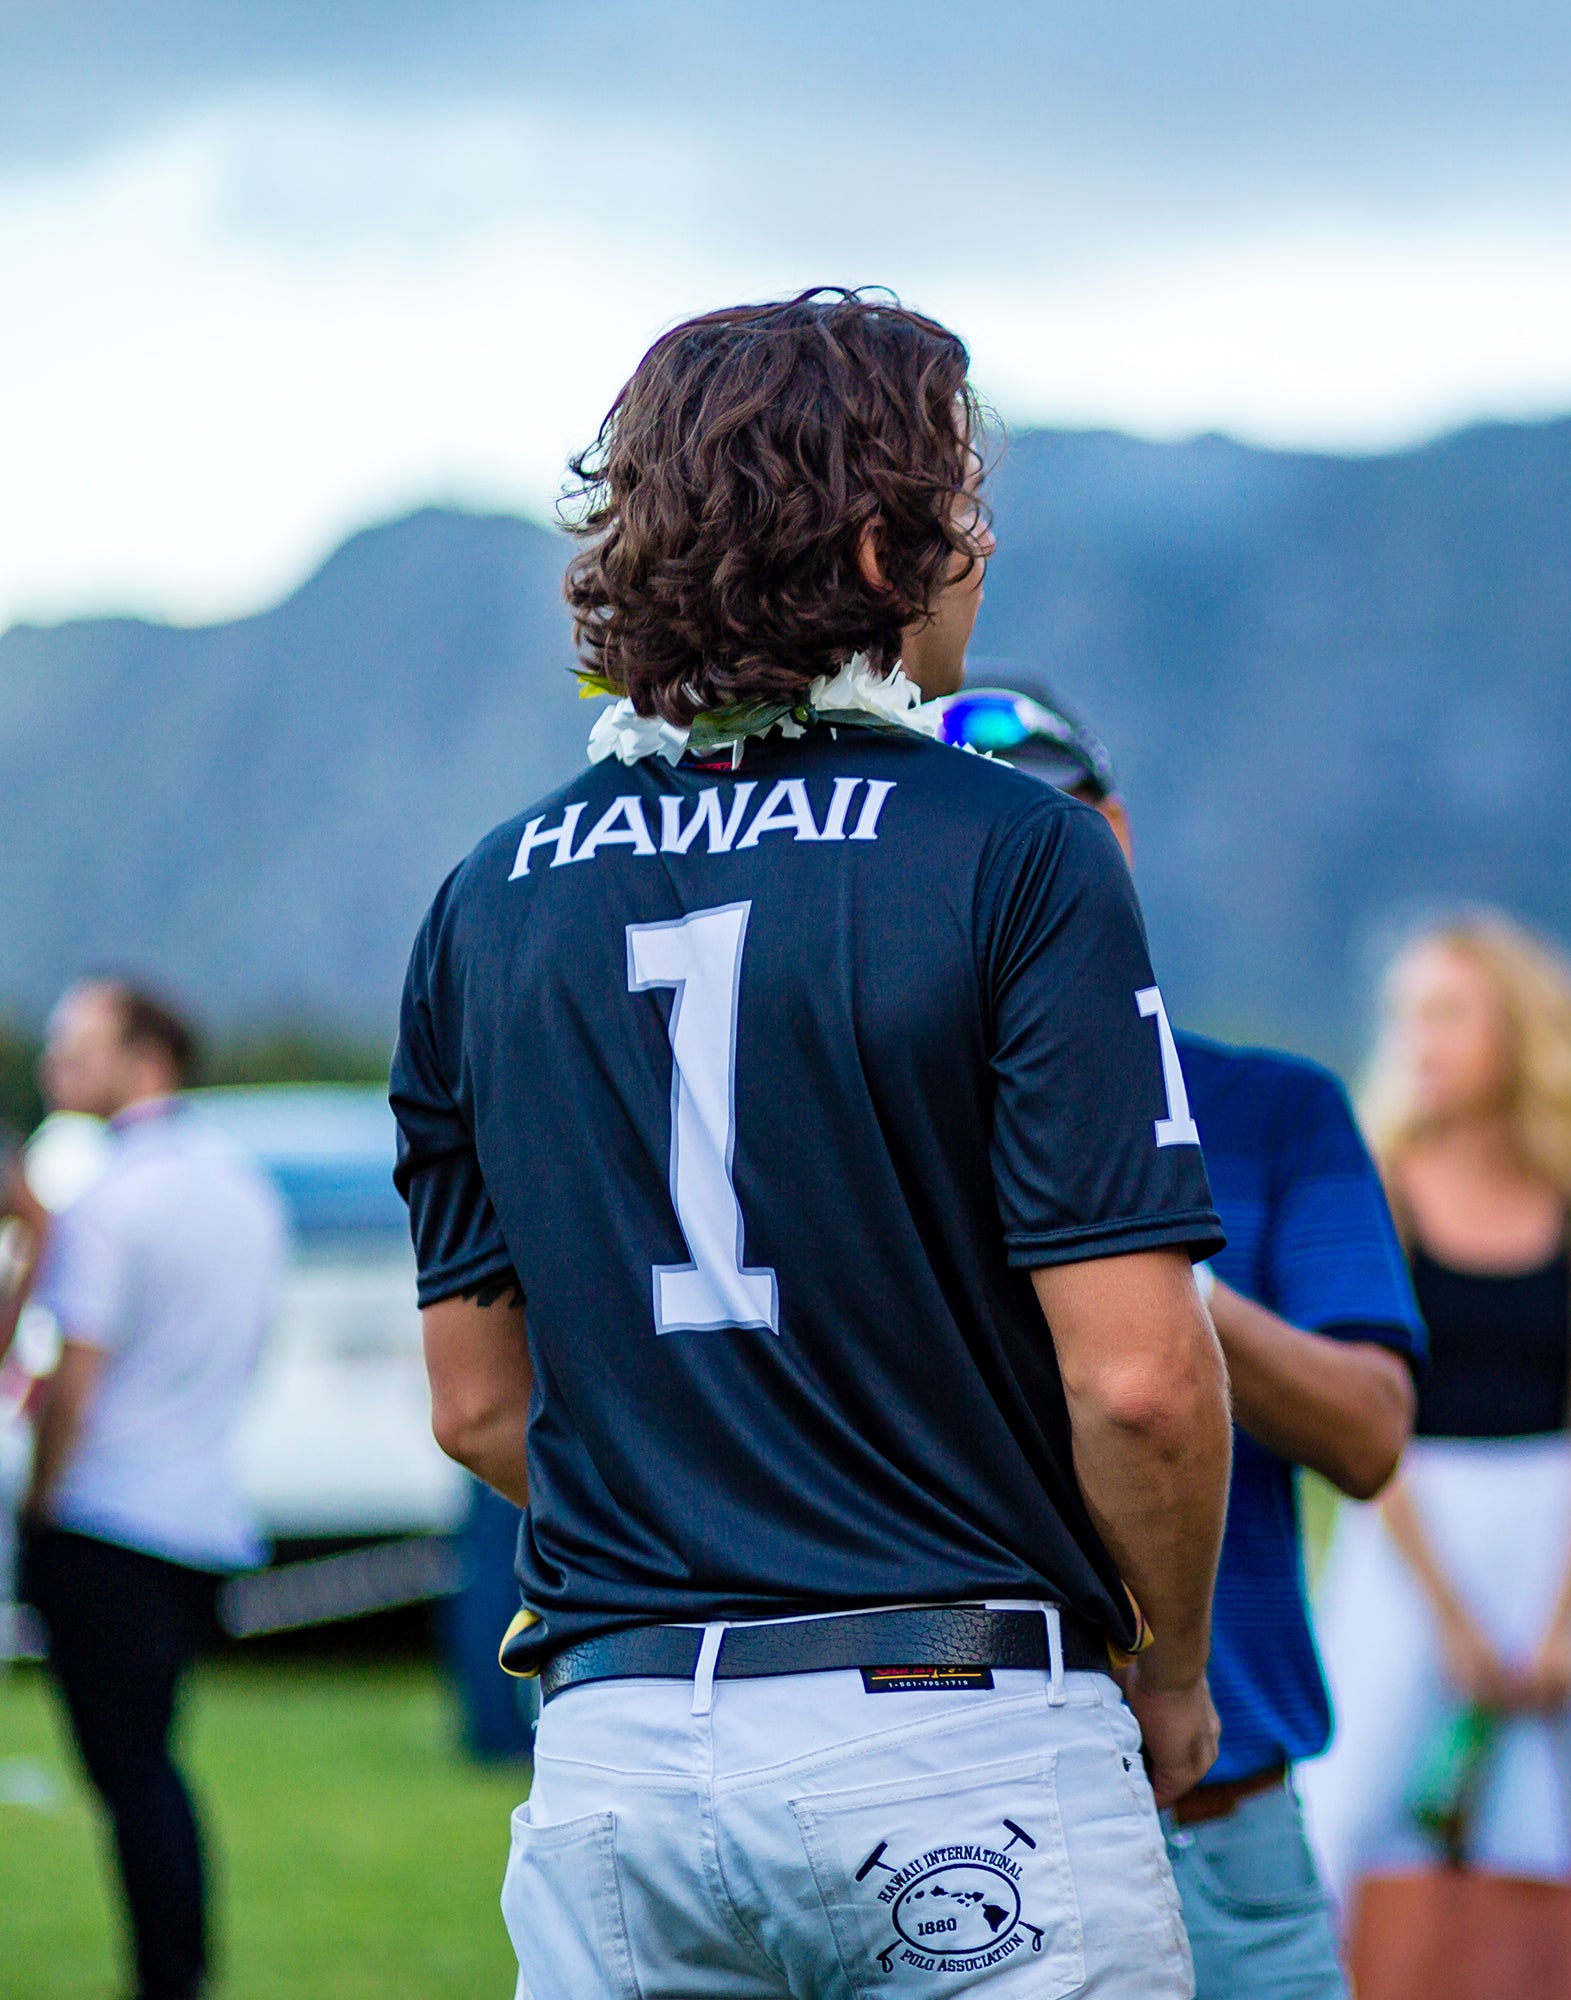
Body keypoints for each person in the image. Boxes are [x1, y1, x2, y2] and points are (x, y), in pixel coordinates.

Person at [395, 291, 1234, 1999]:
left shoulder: (484, 899)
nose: (982, 552)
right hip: (951, 1716)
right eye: (965, 511)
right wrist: (1175, 1668)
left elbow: (477, 1402)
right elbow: (1139, 1384)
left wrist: (709, 1523)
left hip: (619, 1748)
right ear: (879, 544)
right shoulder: (1022, 851)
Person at [935, 681, 1427, 2000]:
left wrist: (1137, 1274)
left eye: (1045, 828)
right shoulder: (864, 1126)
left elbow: (1372, 1436)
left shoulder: (1275, 1110)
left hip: (1222, 1811)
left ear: (1116, 839)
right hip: (944, 1802)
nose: (1010, 871)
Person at [1304, 915, 1571, 1908]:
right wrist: (1452, 1618)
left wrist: (1560, 1614)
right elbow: (1361, 1415)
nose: (1420, 1040)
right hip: (1408, 1534)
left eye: (1449, 1014)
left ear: (1518, 1031)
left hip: (1564, 1542)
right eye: (1409, 1016)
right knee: (1352, 1816)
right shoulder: (1377, 1188)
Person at [18, 978, 286, 2000]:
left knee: (131, 1775)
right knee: (153, 1765)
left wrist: (39, 1500)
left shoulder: (111, 1197)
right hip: (204, 1513)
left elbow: (71, 1377)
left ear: (146, 1055)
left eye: (75, 1042)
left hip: (107, 1515)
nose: (55, 1063)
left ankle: (170, 1976)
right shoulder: (242, 1185)